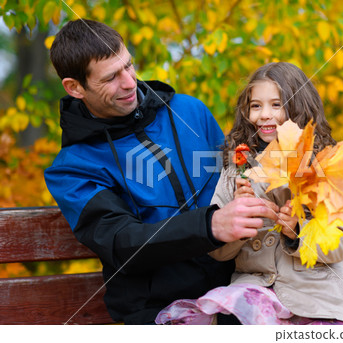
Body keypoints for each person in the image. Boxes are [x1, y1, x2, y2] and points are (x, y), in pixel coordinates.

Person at [44, 19, 279, 325]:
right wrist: (209, 226)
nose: (129, 82)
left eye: (129, 66)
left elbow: (239, 180)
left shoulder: (190, 111)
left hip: (235, 295)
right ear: (75, 87)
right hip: (157, 313)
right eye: (111, 78)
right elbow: (121, 242)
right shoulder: (73, 168)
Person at [156, 62, 343, 325]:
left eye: (276, 105)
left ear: (299, 108)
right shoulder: (237, 168)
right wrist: (237, 219)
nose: (264, 115)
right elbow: (219, 253)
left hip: (318, 298)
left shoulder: (323, 165)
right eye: (255, 106)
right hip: (255, 295)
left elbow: (340, 244)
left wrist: (297, 232)